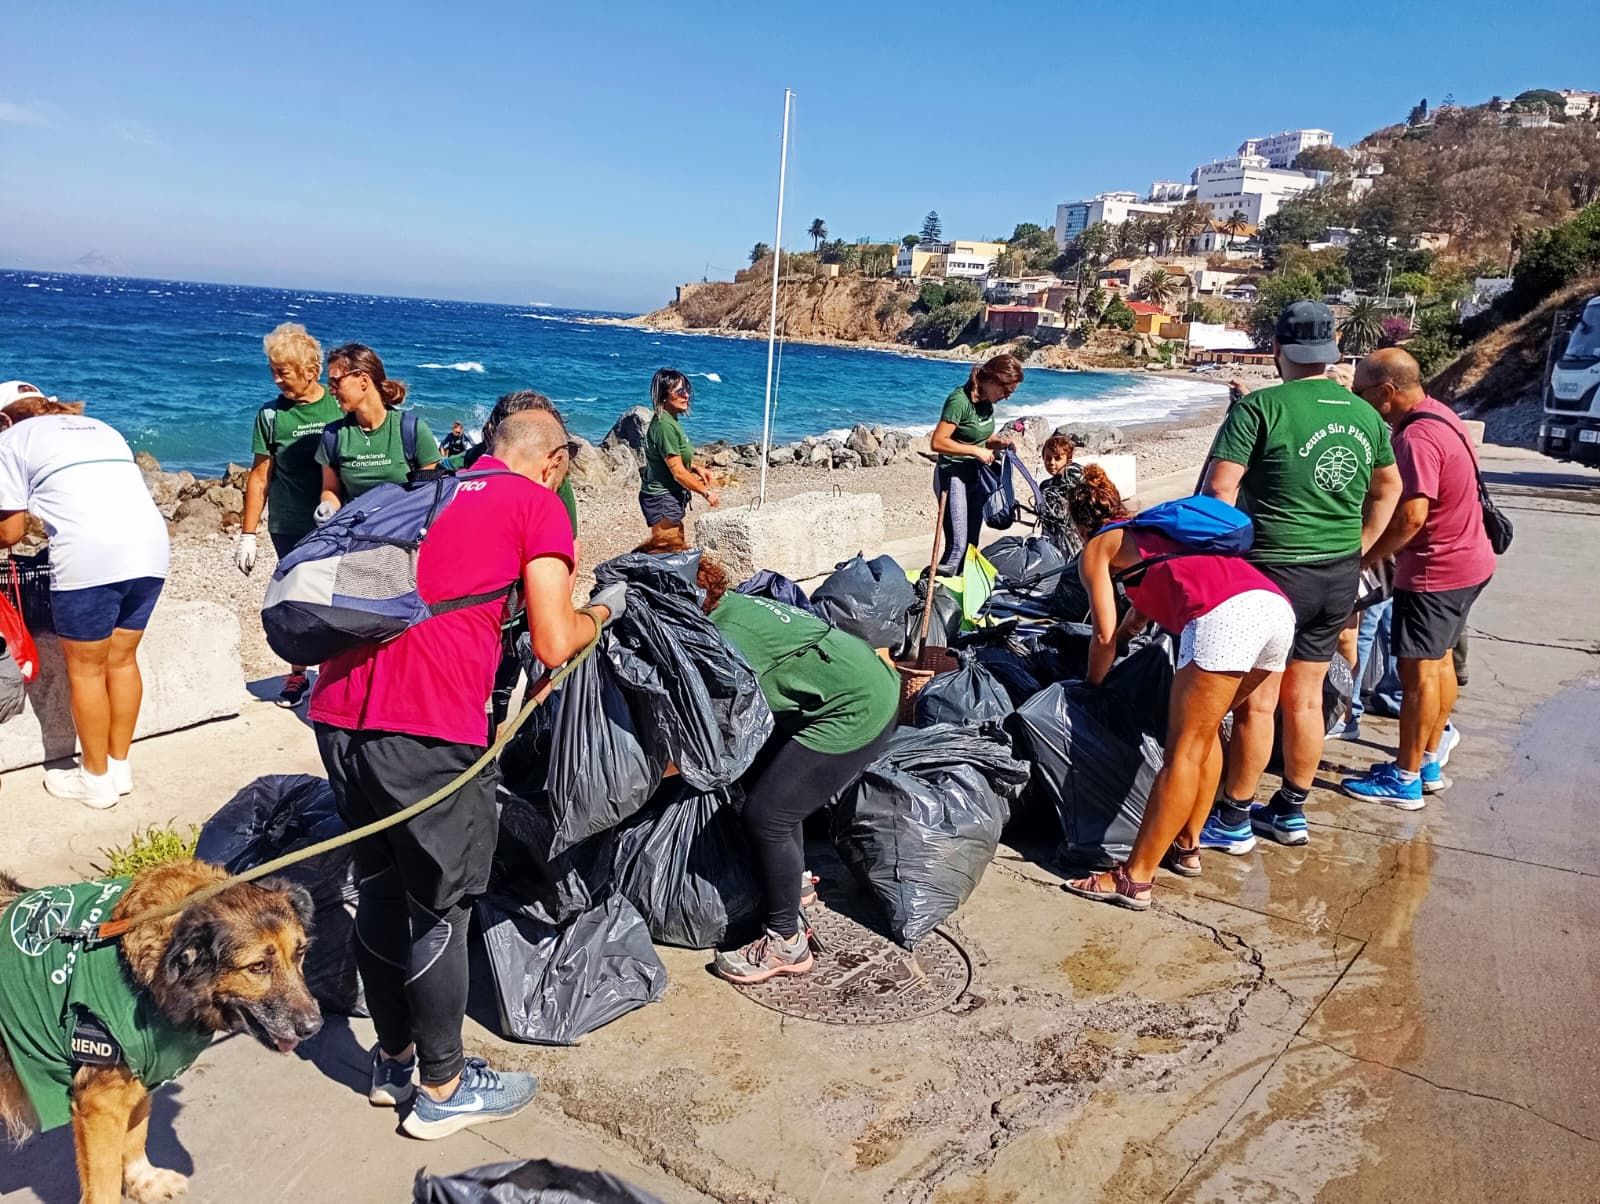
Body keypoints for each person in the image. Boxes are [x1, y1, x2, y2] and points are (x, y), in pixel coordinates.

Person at [310, 407, 620, 1140]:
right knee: (440, 908)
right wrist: (602, 612)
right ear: (553, 462)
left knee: (380, 891)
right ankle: (444, 1088)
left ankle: (393, 1063)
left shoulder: (428, 490)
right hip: (427, 729)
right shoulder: (536, 506)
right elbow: (554, 641)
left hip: (337, 715)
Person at [635, 525, 898, 984]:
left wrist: (639, 780)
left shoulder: (723, 639)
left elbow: (710, 738)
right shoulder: (728, 605)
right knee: (769, 787)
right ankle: (793, 884)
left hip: (856, 709)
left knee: (767, 814)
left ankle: (786, 942)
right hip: (851, 681)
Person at [1199, 302, 1400, 849]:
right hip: (1337, 574)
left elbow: (1220, 489)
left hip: (1272, 572)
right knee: (1307, 699)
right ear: (1332, 351)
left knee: (1258, 702)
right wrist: (1361, 546)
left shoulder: (1261, 407)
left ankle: (1234, 819)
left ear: (1277, 349)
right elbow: (1390, 488)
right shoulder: (1364, 415)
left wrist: (1220, 558)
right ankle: (1290, 812)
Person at [1061, 468, 1294, 909]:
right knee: (1208, 733)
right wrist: (1126, 638)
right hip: (1273, 607)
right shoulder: (1157, 534)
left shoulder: (1098, 546)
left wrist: (1091, 688)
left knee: (1183, 751)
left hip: (1226, 616)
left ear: (1079, 524)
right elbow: (1134, 620)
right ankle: (1188, 846)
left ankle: (1134, 878)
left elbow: (1103, 635)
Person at [0, 388, 169, 806]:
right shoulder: (99, 428)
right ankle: (118, 769)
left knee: (87, 670)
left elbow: (10, 531)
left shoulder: (12, 440)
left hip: (89, 556)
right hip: (150, 548)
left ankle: (94, 782)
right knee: (122, 660)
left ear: (4, 420)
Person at [1342, 348, 1491, 808]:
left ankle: (1405, 778)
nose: (1357, 400)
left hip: (1434, 571)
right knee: (1440, 662)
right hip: (1468, 562)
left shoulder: (1415, 439)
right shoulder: (1442, 415)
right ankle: (1426, 761)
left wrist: (1367, 558)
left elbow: (1411, 517)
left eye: (1361, 392)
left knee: (1417, 673)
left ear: (1386, 392)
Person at [463, 390, 583, 738]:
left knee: (502, 691)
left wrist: (552, 644)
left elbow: (569, 554)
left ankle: (493, 744)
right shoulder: (466, 470)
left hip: (521, 609)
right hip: (472, 615)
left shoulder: (554, 482)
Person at [238, 323, 342, 707]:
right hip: (288, 523)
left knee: (336, 596)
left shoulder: (337, 406)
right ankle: (298, 674)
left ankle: (335, 674)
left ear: (311, 371)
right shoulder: (270, 415)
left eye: (283, 372)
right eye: (273, 371)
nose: (276, 380)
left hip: (335, 521)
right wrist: (248, 534)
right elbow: (259, 476)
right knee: (296, 599)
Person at [316, 344, 440, 514]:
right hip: (355, 528)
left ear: (363, 381)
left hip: (404, 527)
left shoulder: (412, 430)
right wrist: (328, 507)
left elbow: (429, 493)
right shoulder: (333, 436)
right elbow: (330, 489)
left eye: (336, 382)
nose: (331, 391)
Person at [930, 353, 1024, 574]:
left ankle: (962, 586)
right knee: (958, 545)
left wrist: (998, 443)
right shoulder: (959, 401)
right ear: (994, 380)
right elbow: (938, 442)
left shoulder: (986, 403)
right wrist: (975, 451)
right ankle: (936, 587)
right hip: (953, 474)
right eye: (1006, 391)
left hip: (976, 476)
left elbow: (980, 436)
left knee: (972, 543)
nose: (1007, 397)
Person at [639, 368, 718, 528]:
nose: (686, 395)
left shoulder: (670, 421)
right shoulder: (664, 426)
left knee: (671, 542)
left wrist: (695, 468)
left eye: (687, 390)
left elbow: (669, 459)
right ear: (664, 396)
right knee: (668, 543)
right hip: (662, 500)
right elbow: (678, 473)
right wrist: (706, 492)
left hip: (668, 498)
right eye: (680, 391)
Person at [1037, 433, 1085, 557]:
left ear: (1069, 459)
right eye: (1048, 458)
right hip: (1053, 541)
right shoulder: (1045, 486)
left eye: (1057, 458)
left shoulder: (1077, 483)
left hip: (1076, 540)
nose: (1052, 463)